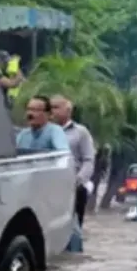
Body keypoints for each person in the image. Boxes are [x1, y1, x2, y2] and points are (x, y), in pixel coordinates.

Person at [50, 96, 97, 228]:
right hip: (48, 183)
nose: (52, 111)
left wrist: (78, 180)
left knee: (72, 225)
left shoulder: (80, 132)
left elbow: (88, 160)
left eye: (56, 107)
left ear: (68, 111)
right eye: (50, 108)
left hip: (73, 184)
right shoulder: (44, 132)